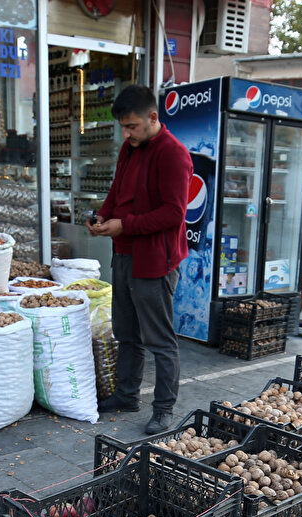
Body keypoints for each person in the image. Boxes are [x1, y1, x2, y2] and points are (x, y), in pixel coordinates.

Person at [87, 85, 192, 435]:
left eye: (131, 126)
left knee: (160, 340)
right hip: (124, 254)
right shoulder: (129, 148)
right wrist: (103, 216)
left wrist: (124, 225)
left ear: (152, 117)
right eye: (122, 126)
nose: (126, 133)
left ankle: (163, 410)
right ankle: (126, 396)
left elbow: (174, 214)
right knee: (126, 333)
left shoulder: (173, 154)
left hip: (155, 261)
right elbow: (118, 191)